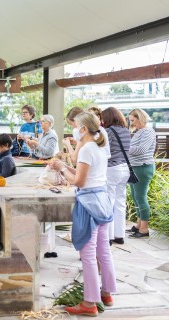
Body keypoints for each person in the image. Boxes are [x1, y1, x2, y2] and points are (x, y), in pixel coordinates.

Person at [49, 112, 116, 317]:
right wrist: (66, 167)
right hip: (103, 200)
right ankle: (107, 293)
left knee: (87, 254)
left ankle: (89, 303)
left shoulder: (87, 148)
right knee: (103, 251)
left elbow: (79, 182)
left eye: (76, 126)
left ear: (84, 129)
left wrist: (61, 168)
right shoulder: (100, 146)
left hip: (88, 203)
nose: (74, 130)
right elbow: (86, 173)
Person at [102, 107, 131, 245]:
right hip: (125, 168)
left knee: (109, 201)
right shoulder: (126, 131)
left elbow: (104, 150)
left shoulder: (108, 132)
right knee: (120, 202)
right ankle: (119, 235)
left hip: (112, 168)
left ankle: (108, 237)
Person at [127, 108, 156, 238]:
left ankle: (144, 229)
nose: (131, 123)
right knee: (135, 196)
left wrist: (123, 148)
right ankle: (139, 225)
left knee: (140, 197)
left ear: (140, 118)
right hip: (136, 167)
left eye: (133, 120)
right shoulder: (140, 132)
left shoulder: (148, 132)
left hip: (142, 167)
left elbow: (142, 150)